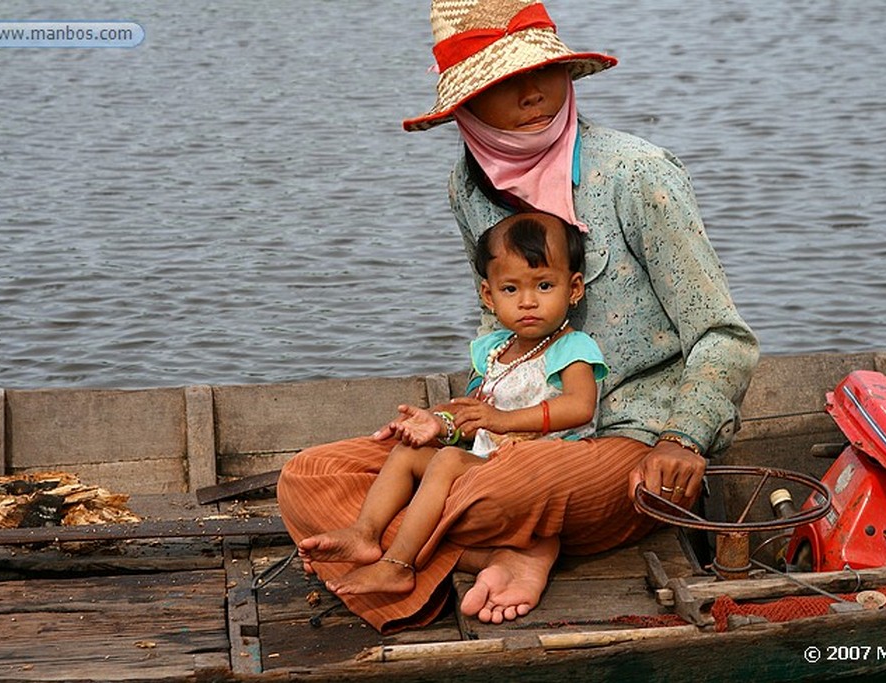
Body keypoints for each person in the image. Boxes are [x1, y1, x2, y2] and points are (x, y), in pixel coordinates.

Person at [278, 0, 759, 633]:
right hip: (510, 441)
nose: (532, 92)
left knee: (485, 493)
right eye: (502, 82)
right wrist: (454, 419)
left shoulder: (638, 174)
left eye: (543, 70)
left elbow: (722, 335)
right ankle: (514, 547)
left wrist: (683, 437)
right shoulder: (468, 188)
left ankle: (481, 544)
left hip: (632, 443)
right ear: (466, 106)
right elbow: (498, 330)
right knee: (307, 477)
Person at [301, 212, 608, 597]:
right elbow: (473, 412)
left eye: (544, 286)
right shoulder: (495, 351)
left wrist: (503, 420)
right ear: (488, 295)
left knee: (446, 462)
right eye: (511, 290)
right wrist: (439, 422)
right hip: (489, 463)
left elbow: (580, 407)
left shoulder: (572, 347)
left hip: (541, 466)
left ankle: (398, 564)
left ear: (574, 287)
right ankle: (365, 532)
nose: (528, 302)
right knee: (409, 454)